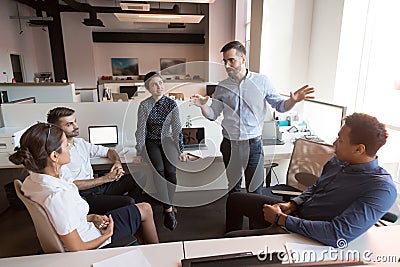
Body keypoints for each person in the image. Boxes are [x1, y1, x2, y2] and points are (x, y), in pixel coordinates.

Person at [225, 113, 397, 247]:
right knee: (235, 199)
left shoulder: (381, 189)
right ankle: (245, 246)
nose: (334, 143)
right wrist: (292, 204)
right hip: (295, 213)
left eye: (341, 140)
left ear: (359, 149)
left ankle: (241, 250)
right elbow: (315, 188)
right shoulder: (338, 161)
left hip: (310, 234)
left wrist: (281, 220)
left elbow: (337, 235)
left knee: (230, 241)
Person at [9, 123, 159, 251]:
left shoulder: (32, 181)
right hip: (91, 240)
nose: (69, 147)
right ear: (54, 156)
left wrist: (92, 217)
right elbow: (78, 247)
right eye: (66, 144)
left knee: (138, 200)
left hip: (85, 227)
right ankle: (159, 254)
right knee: (145, 209)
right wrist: (108, 234)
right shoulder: (58, 196)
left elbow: (62, 219)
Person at [191, 40, 315, 194]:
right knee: (233, 190)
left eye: (231, 60)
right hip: (230, 145)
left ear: (243, 59)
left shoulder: (262, 82)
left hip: (253, 145)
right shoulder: (222, 87)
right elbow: (213, 115)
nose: (227, 65)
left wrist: (293, 101)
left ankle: (254, 219)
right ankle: (232, 219)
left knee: (255, 191)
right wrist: (203, 106)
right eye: (225, 61)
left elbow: (281, 106)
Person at [47, 107, 144, 214]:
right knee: (128, 201)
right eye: (69, 124)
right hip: (83, 195)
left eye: (75, 121)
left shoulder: (80, 143)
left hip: (98, 187)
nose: (76, 126)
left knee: (139, 177)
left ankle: (129, 213)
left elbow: (109, 151)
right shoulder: (58, 154)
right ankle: (126, 213)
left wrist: (117, 162)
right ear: (56, 128)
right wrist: (107, 178)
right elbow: (72, 185)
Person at [134, 71, 189, 231]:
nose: (159, 87)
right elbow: (141, 130)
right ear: (149, 89)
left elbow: (177, 128)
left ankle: (168, 204)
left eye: (160, 83)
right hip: (151, 142)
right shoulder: (144, 105)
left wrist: (181, 150)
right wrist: (139, 151)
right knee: (159, 170)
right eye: (154, 85)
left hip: (167, 140)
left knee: (171, 171)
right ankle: (169, 210)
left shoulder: (171, 104)